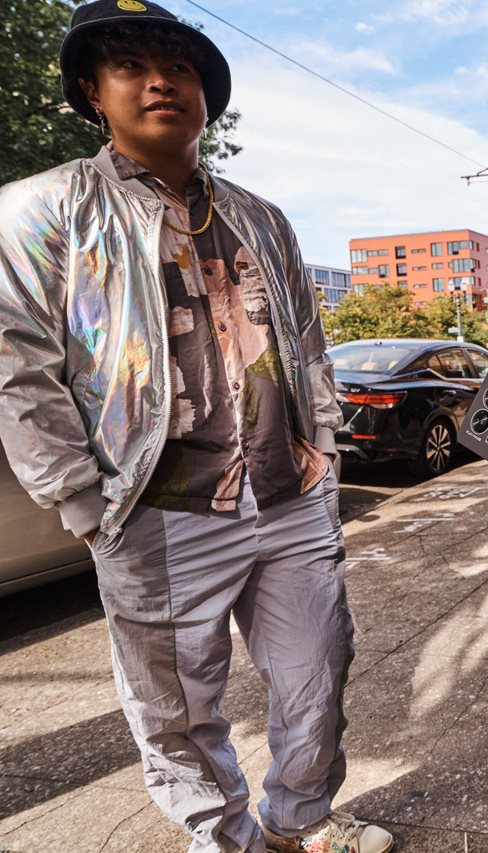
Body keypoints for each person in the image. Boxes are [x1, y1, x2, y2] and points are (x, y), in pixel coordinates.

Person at [0, 3, 391, 851]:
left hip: (289, 492)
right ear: (90, 91)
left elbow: (309, 345)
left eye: (177, 66)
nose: (158, 81)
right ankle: (226, 841)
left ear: (205, 95)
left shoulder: (263, 216)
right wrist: (82, 502)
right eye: (129, 65)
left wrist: (324, 450)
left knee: (318, 677)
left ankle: (298, 824)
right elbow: (16, 365)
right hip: (157, 509)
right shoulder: (40, 212)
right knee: (177, 714)